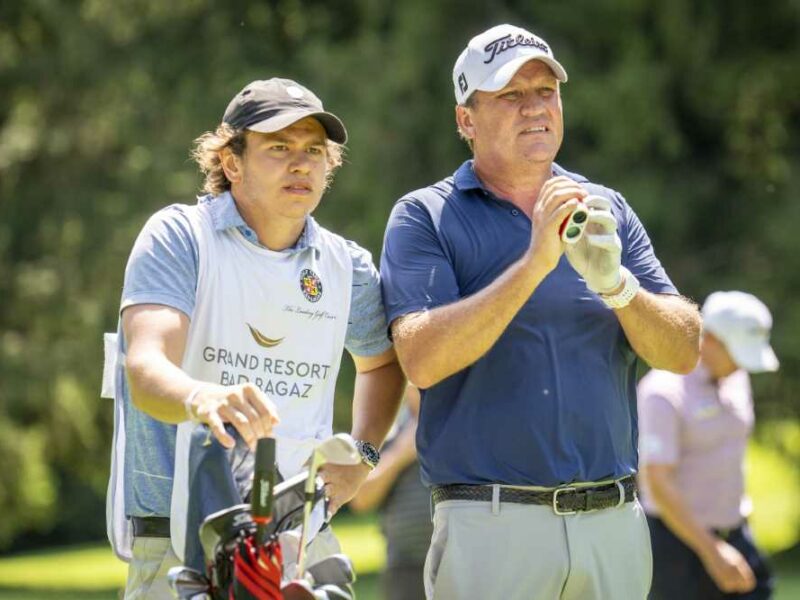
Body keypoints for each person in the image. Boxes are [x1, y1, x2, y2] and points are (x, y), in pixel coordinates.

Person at [379, 23, 702, 600]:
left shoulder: (608, 210)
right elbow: (423, 359)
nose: (535, 109)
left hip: (614, 523)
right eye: (510, 95)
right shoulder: (424, 216)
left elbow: (682, 350)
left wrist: (618, 286)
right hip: (493, 528)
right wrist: (534, 262)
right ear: (466, 120)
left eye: (546, 91)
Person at [104, 77, 405, 599]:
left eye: (315, 150)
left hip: (298, 546)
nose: (302, 163)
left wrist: (364, 456)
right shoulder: (180, 237)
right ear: (232, 162)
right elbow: (146, 365)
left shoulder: (346, 266)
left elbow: (382, 363)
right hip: (178, 546)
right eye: (279, 147)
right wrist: (203, 397)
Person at [638, 291, 778, 599]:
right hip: (676, 545)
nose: (743, 365)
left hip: (734, 531)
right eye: (737, 353)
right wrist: (712, 550)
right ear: (710, 339)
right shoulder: (662, 391)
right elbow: (657, 481)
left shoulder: (735, 378)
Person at [349, 385, 433, 600]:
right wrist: (401, 453)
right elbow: (359, 498)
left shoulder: (458, 425)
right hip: (404, 566)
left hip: (457, 559)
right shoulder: (386, 431)